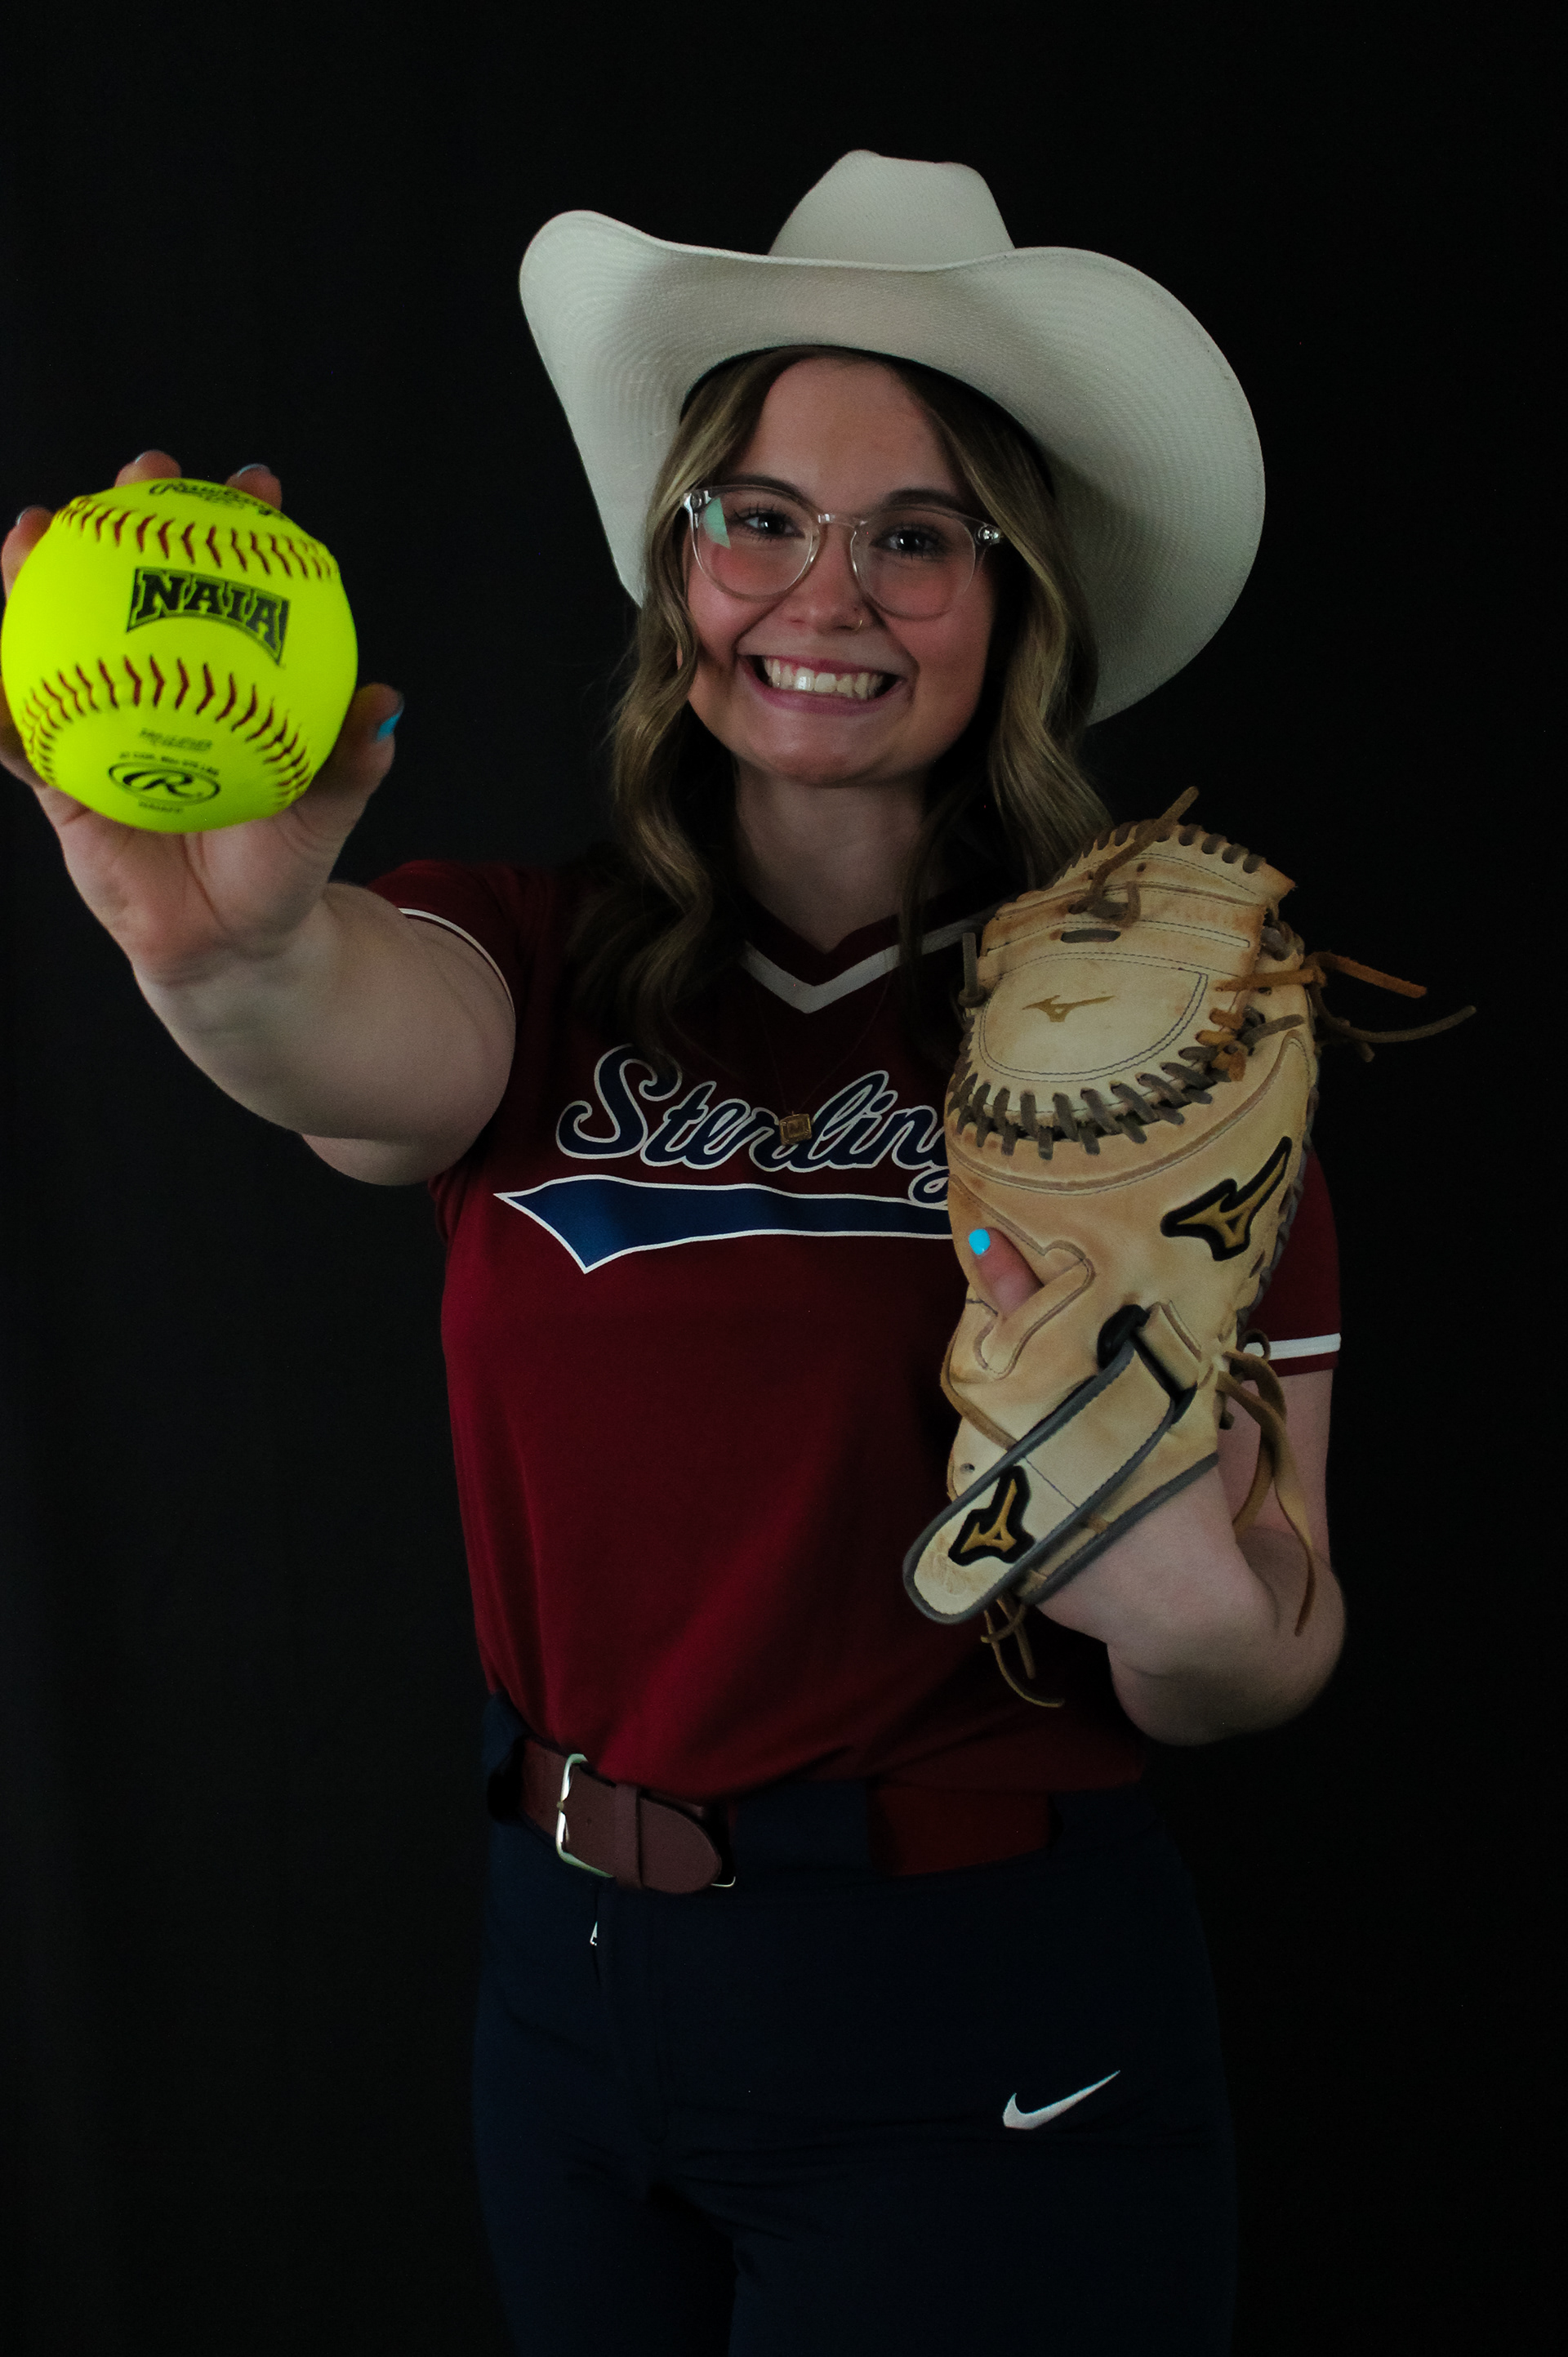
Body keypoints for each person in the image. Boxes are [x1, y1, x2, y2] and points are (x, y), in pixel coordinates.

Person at [2, 154, 1345, 2355]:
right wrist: (220, 954)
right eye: (760, 517)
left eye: (917, 535)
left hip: (973, 2020)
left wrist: (1186, 1600)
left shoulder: (1156, 1051)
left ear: (1013, 596)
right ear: (679, 561)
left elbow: (1272, 1645)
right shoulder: (530, 962)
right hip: (571, 1994)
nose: (825, 592)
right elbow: (350, 1039)